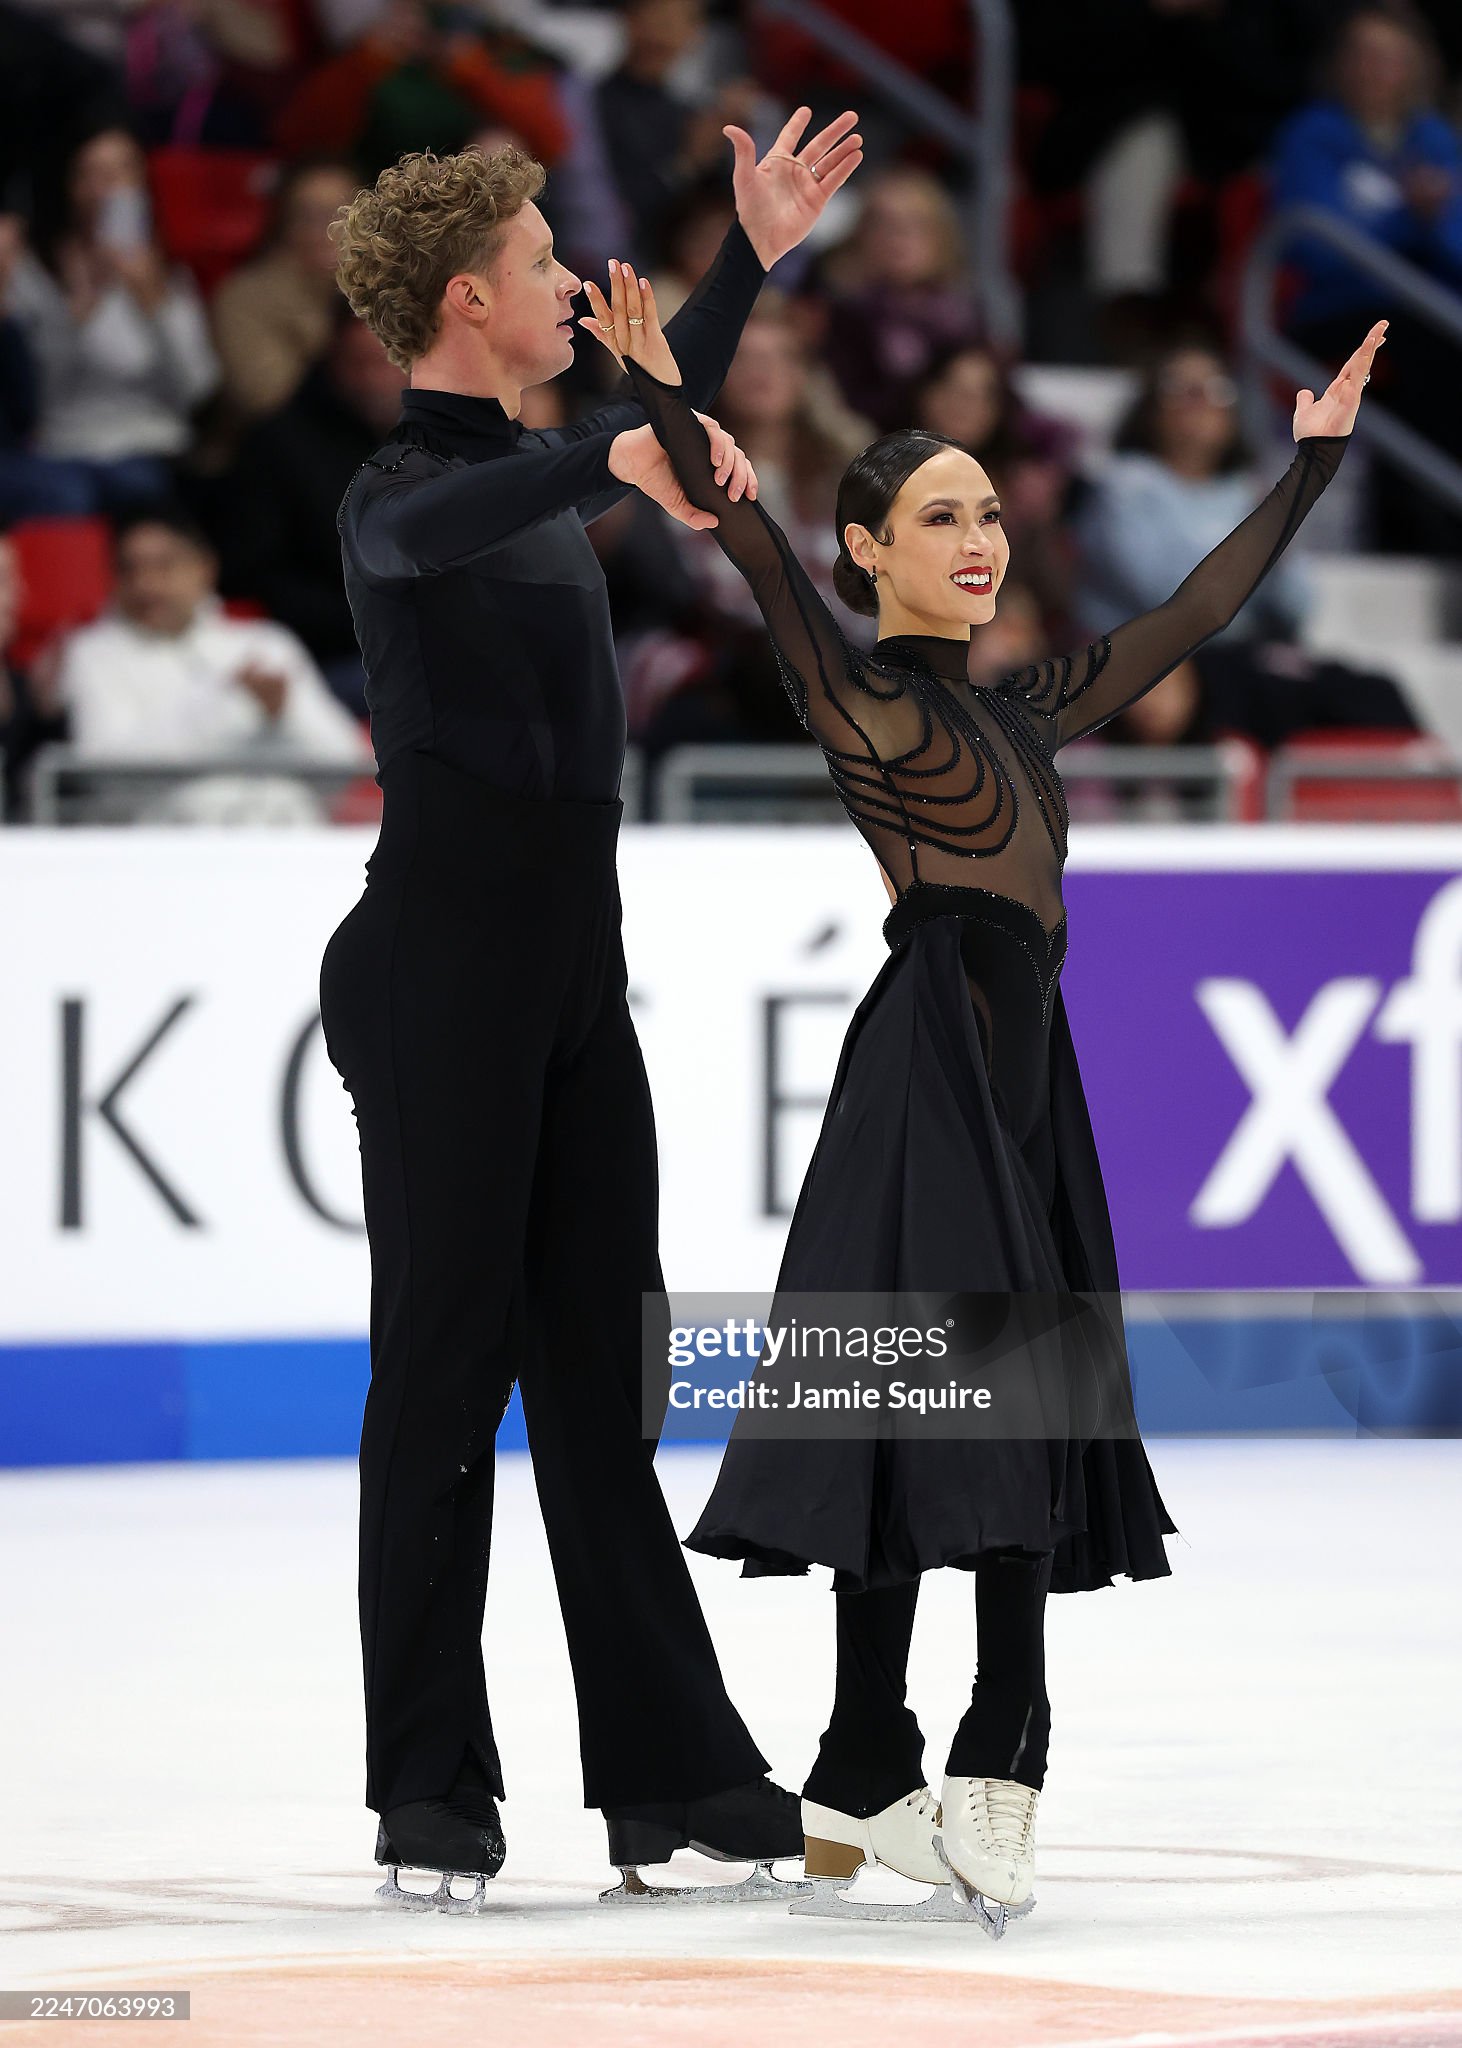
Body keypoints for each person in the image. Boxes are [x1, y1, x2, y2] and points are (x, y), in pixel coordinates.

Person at [584, 256, 1384, 1925]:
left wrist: (1308, 464)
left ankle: (857, 1760)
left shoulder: (1025, 707)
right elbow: (745, 540)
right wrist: (665, 388)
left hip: (1026, 1078)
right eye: (936, 516)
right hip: (931, 1064)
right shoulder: (857, 692)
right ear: (866, 547)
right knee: (977, 1391)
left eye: (989, 515)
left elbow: (1189, 617)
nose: (977, 539)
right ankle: (997, 1746)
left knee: (952, 1390)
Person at [317, 119, 863, 1907]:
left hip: (569, 985)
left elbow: (631, 415)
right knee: (441, 1376)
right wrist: (618, 441)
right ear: (466, 300)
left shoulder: (546, 471)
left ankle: (669, 1773)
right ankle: (426, 1783)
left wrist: (750, 255)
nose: (572, 282)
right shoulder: (397, 493)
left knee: (600, 1383)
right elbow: (500, 494)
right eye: (546, 263)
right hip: (435, 979)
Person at [53, 506, 371, 820]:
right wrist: (225, 710)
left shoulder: (265, 643)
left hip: (282, 836)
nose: (145, 584)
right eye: (129, 569)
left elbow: (345, 762)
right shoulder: (93, 653)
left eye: (164, 566)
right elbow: (103, 773)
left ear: (204, 567)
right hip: (162, 844)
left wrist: (285, 714)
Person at [1074, 344, 1313, 650]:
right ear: (1151, 409)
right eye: (1179, 388)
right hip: (1143, 655)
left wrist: (1278, 546)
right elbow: (1162, 596)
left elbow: (1299, 605)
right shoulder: (1123, 484)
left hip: (1235, 652)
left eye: (1216, 389)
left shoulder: (1249, 492)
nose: (1200, 401)